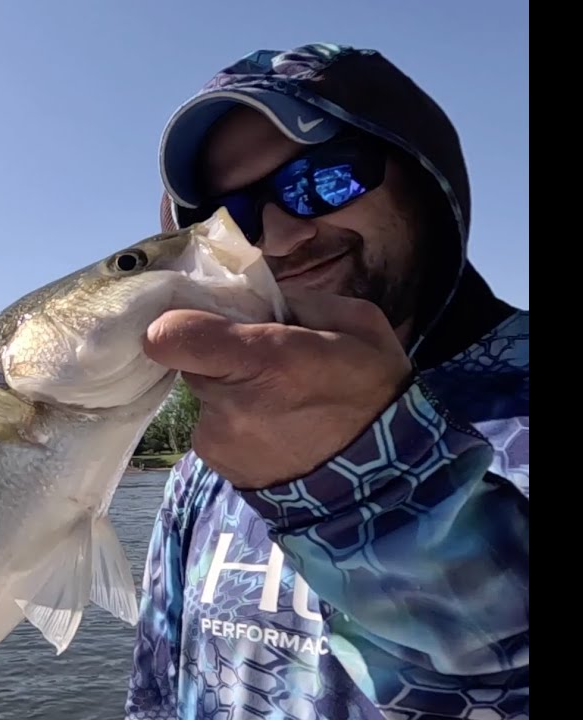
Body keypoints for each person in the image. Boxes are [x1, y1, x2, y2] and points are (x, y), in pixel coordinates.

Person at [125, 43, 529, 720]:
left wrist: (367, 481)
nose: (280, 238)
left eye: (325, 180)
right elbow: (157, 688)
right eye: (233, 220)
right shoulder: (216, 448)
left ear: (426, 181)